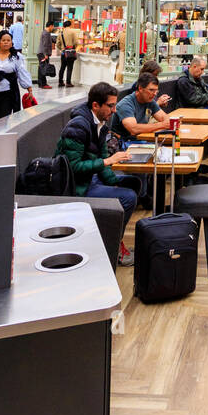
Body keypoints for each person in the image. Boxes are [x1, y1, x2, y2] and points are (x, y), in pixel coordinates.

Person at [55, 82, 139, 268]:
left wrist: (113, 182)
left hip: (91, 178)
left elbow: (101, 157)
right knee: (127, 198)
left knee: (132, 184)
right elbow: (73, 167)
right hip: (76, 186)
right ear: (95, 105)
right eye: (110, 106)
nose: (115, 110)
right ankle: (110, 249)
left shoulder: (100, 123)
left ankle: (115, 240)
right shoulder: (78, 126)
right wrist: (107, 162)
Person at [113, 72, 172, 141]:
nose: (154, 94)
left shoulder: (150, 101)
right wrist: (162, 125)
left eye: (156, 91)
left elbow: (165, 119)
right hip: (124, 143)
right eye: (151, 90)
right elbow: (133, 129)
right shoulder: (126, 104)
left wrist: (169, 123)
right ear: (140, 88)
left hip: (140, 140)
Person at [56, 14, 81, 88]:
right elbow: (77, 42)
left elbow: (57, 44)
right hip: (70, 52)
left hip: (64, 52)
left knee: (62, 67)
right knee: (70, 68)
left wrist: (61, 49)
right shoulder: (73, 32)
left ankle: (60, 82)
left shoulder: (61, 33)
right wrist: (75, 49)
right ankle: (68, 82)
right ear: (70, 25)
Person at [37, 19, 56, 90]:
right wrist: (45, 54)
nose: (53, 28)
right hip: (43, 54)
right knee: (43, 69)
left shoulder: (44, 32)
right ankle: (43, 84)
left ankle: (41, 83)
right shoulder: (46, 33)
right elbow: (45, 45)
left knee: (41, 68)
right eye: (53, 26)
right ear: (50, 26)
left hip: (41, 53)